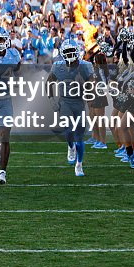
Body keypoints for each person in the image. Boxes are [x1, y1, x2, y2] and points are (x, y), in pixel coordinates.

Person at [48, 40, 94, 177]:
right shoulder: (57, 66)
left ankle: (79, 164)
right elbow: (49, 83)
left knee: (79, 136)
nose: (70, 54)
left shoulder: (85, 66)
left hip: (79, 102)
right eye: (67, 52)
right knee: (68, 130)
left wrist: (88, 90)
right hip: (65, 102)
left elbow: (92, 82)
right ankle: (70, 146)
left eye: (72, 51)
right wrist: (52, 100)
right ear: (62, 53)